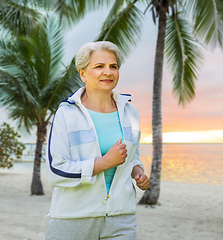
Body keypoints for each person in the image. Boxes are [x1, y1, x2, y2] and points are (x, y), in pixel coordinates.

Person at [45, 41, 150, 240]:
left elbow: (132, 155)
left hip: (121, 217)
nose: (108, 72)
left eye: (114, 66)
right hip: (73, 218)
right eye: (99, 66)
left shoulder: (131, 112)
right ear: (82, 73)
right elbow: (55, 171)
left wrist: (139, 173)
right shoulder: (66, 113)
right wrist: (103, 163)